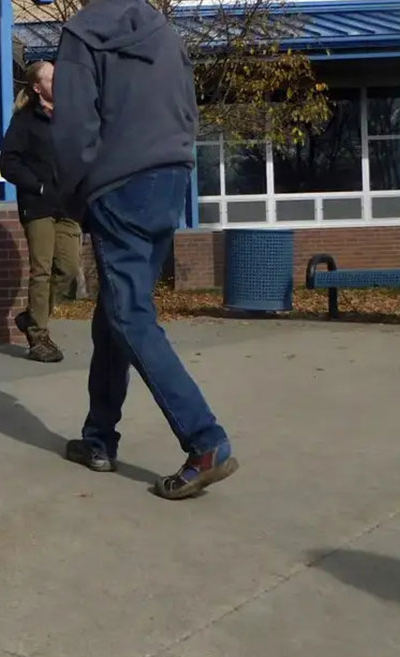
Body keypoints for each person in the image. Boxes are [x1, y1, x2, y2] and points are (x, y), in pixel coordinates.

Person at [53, 0, 238, 499]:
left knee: (130, 315)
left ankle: (206, 441)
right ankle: (99, 438)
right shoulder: (165, 33)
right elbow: (188, 110)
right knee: (116, 311)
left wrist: (74, 194)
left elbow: (72, 128)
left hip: (119, 183)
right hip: (169, 178)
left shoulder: (82, 34)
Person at [0, 61, 82, 363]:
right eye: (52, 78)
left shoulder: (71, 117)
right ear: (37, 87)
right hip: (39, 206)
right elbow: (8, 163)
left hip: (69, 205)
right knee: (42, 270)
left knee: (69, 270)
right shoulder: (25, 121)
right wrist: (38, 186)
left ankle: (31, 316)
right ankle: (38, 337)